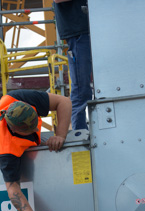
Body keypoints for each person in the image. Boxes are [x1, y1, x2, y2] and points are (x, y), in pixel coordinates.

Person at [0, 90, 71, 211]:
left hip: (20, 144)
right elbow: (12, 188)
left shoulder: (19, 98)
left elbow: (65, 102)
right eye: (29, 129)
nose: (36, 128)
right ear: (14, 128)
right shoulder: (6, 149)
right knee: (27, 186)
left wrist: (60, 136)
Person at [54, 0, 92, 130]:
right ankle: (80, 133)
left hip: (87, 30)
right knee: (81, 90)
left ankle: (81, 131)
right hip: (79, 33)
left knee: (82, 89)